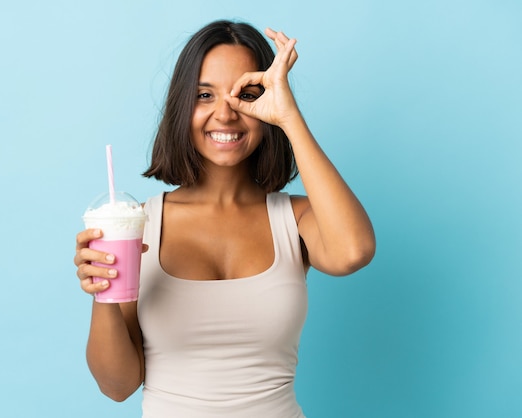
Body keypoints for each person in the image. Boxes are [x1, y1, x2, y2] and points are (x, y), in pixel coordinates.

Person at [74, 19, 375, 417]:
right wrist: (104, 292)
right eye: (204, 95)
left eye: (245, 94)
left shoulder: (296, 217)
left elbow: (353, 251)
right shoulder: (137, 224)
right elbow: (117, 386)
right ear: (182, 105)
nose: (225, 114)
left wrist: (289, 117)